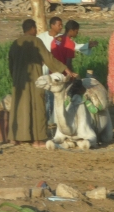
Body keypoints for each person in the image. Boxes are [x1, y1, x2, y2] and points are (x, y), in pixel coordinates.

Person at [8, 19, 75, 147]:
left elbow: (11, 64)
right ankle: (37, 140)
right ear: (33, 28)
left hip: (19, 82)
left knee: (19, 107)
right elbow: (49, 59)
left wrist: (15, 78)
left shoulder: (15, 44)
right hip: (35, 80)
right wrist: (66, 69)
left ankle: (15, 138)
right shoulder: (36, 41)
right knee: (37, 107)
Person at [37, 17, 64, 124]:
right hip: (43, 70)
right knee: (43, 96)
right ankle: (43, 120)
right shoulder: (41, 38)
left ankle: (50, 121)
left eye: (61, 25)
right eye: (59, 25)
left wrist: (87, 46)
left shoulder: (61, 38)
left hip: (56, 72)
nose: (61, 27)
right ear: (52, 25)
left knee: (53, 96)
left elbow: (73, 46)